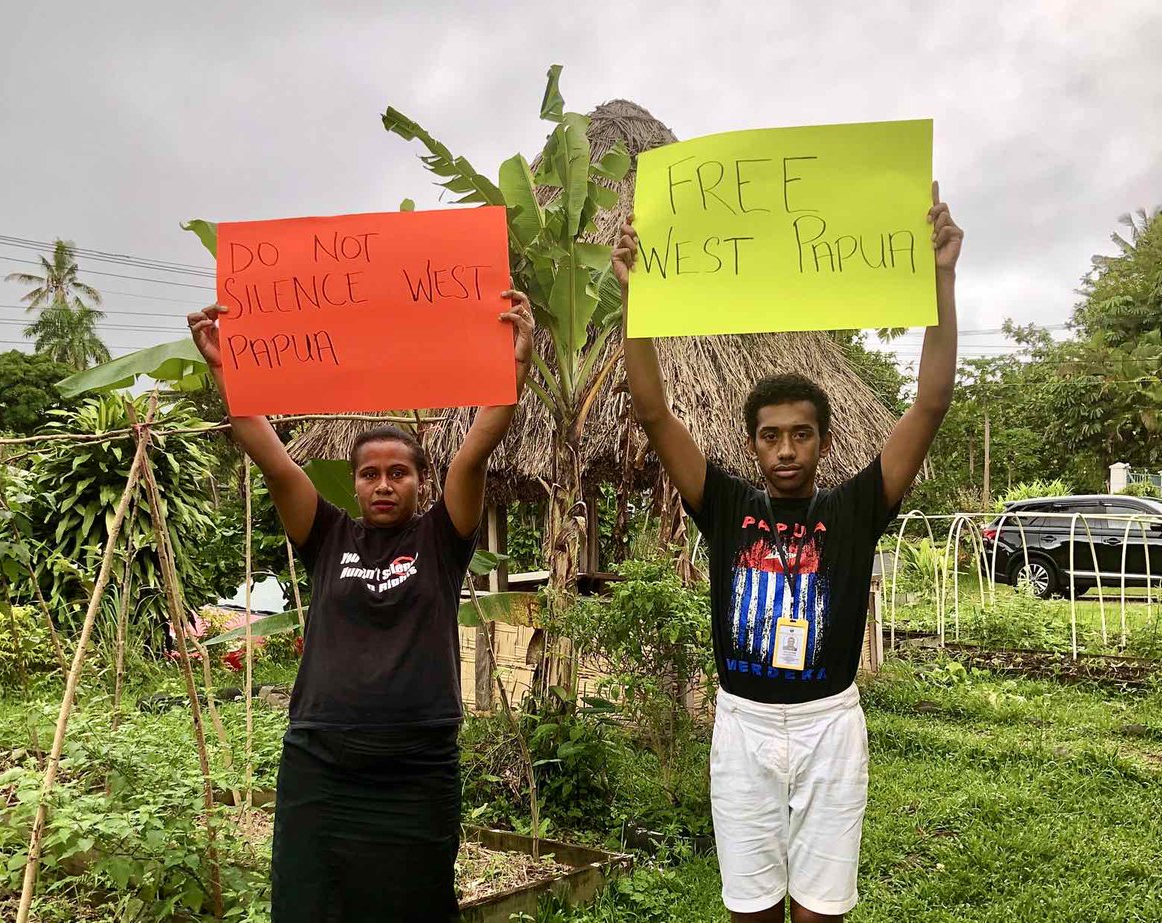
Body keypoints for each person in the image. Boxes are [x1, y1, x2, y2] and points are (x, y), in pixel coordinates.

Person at [614, 183, 962, 922]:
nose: (785, 449)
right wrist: (634, 300)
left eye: (801, 434)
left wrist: (941, 276)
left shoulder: (855, 507)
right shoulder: (727, 504)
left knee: (821, 913)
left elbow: (929, 403)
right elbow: (653, 410)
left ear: (823, 442)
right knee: (750, 911)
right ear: (752, 444)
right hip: (741, 725)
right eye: (770, 435)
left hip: (829, 726)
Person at [187, 290, 534, 922]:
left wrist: (513, 371)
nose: (383, 484)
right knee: (309, 905)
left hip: (417, 766)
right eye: (370, 473)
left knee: (415, 906)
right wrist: (223, 370)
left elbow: (477, 447)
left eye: (398, 472)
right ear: (353, 482)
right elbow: (267, 452)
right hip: (322, 765)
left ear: (420, 482)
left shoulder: (442, 536)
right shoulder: (326, 535)